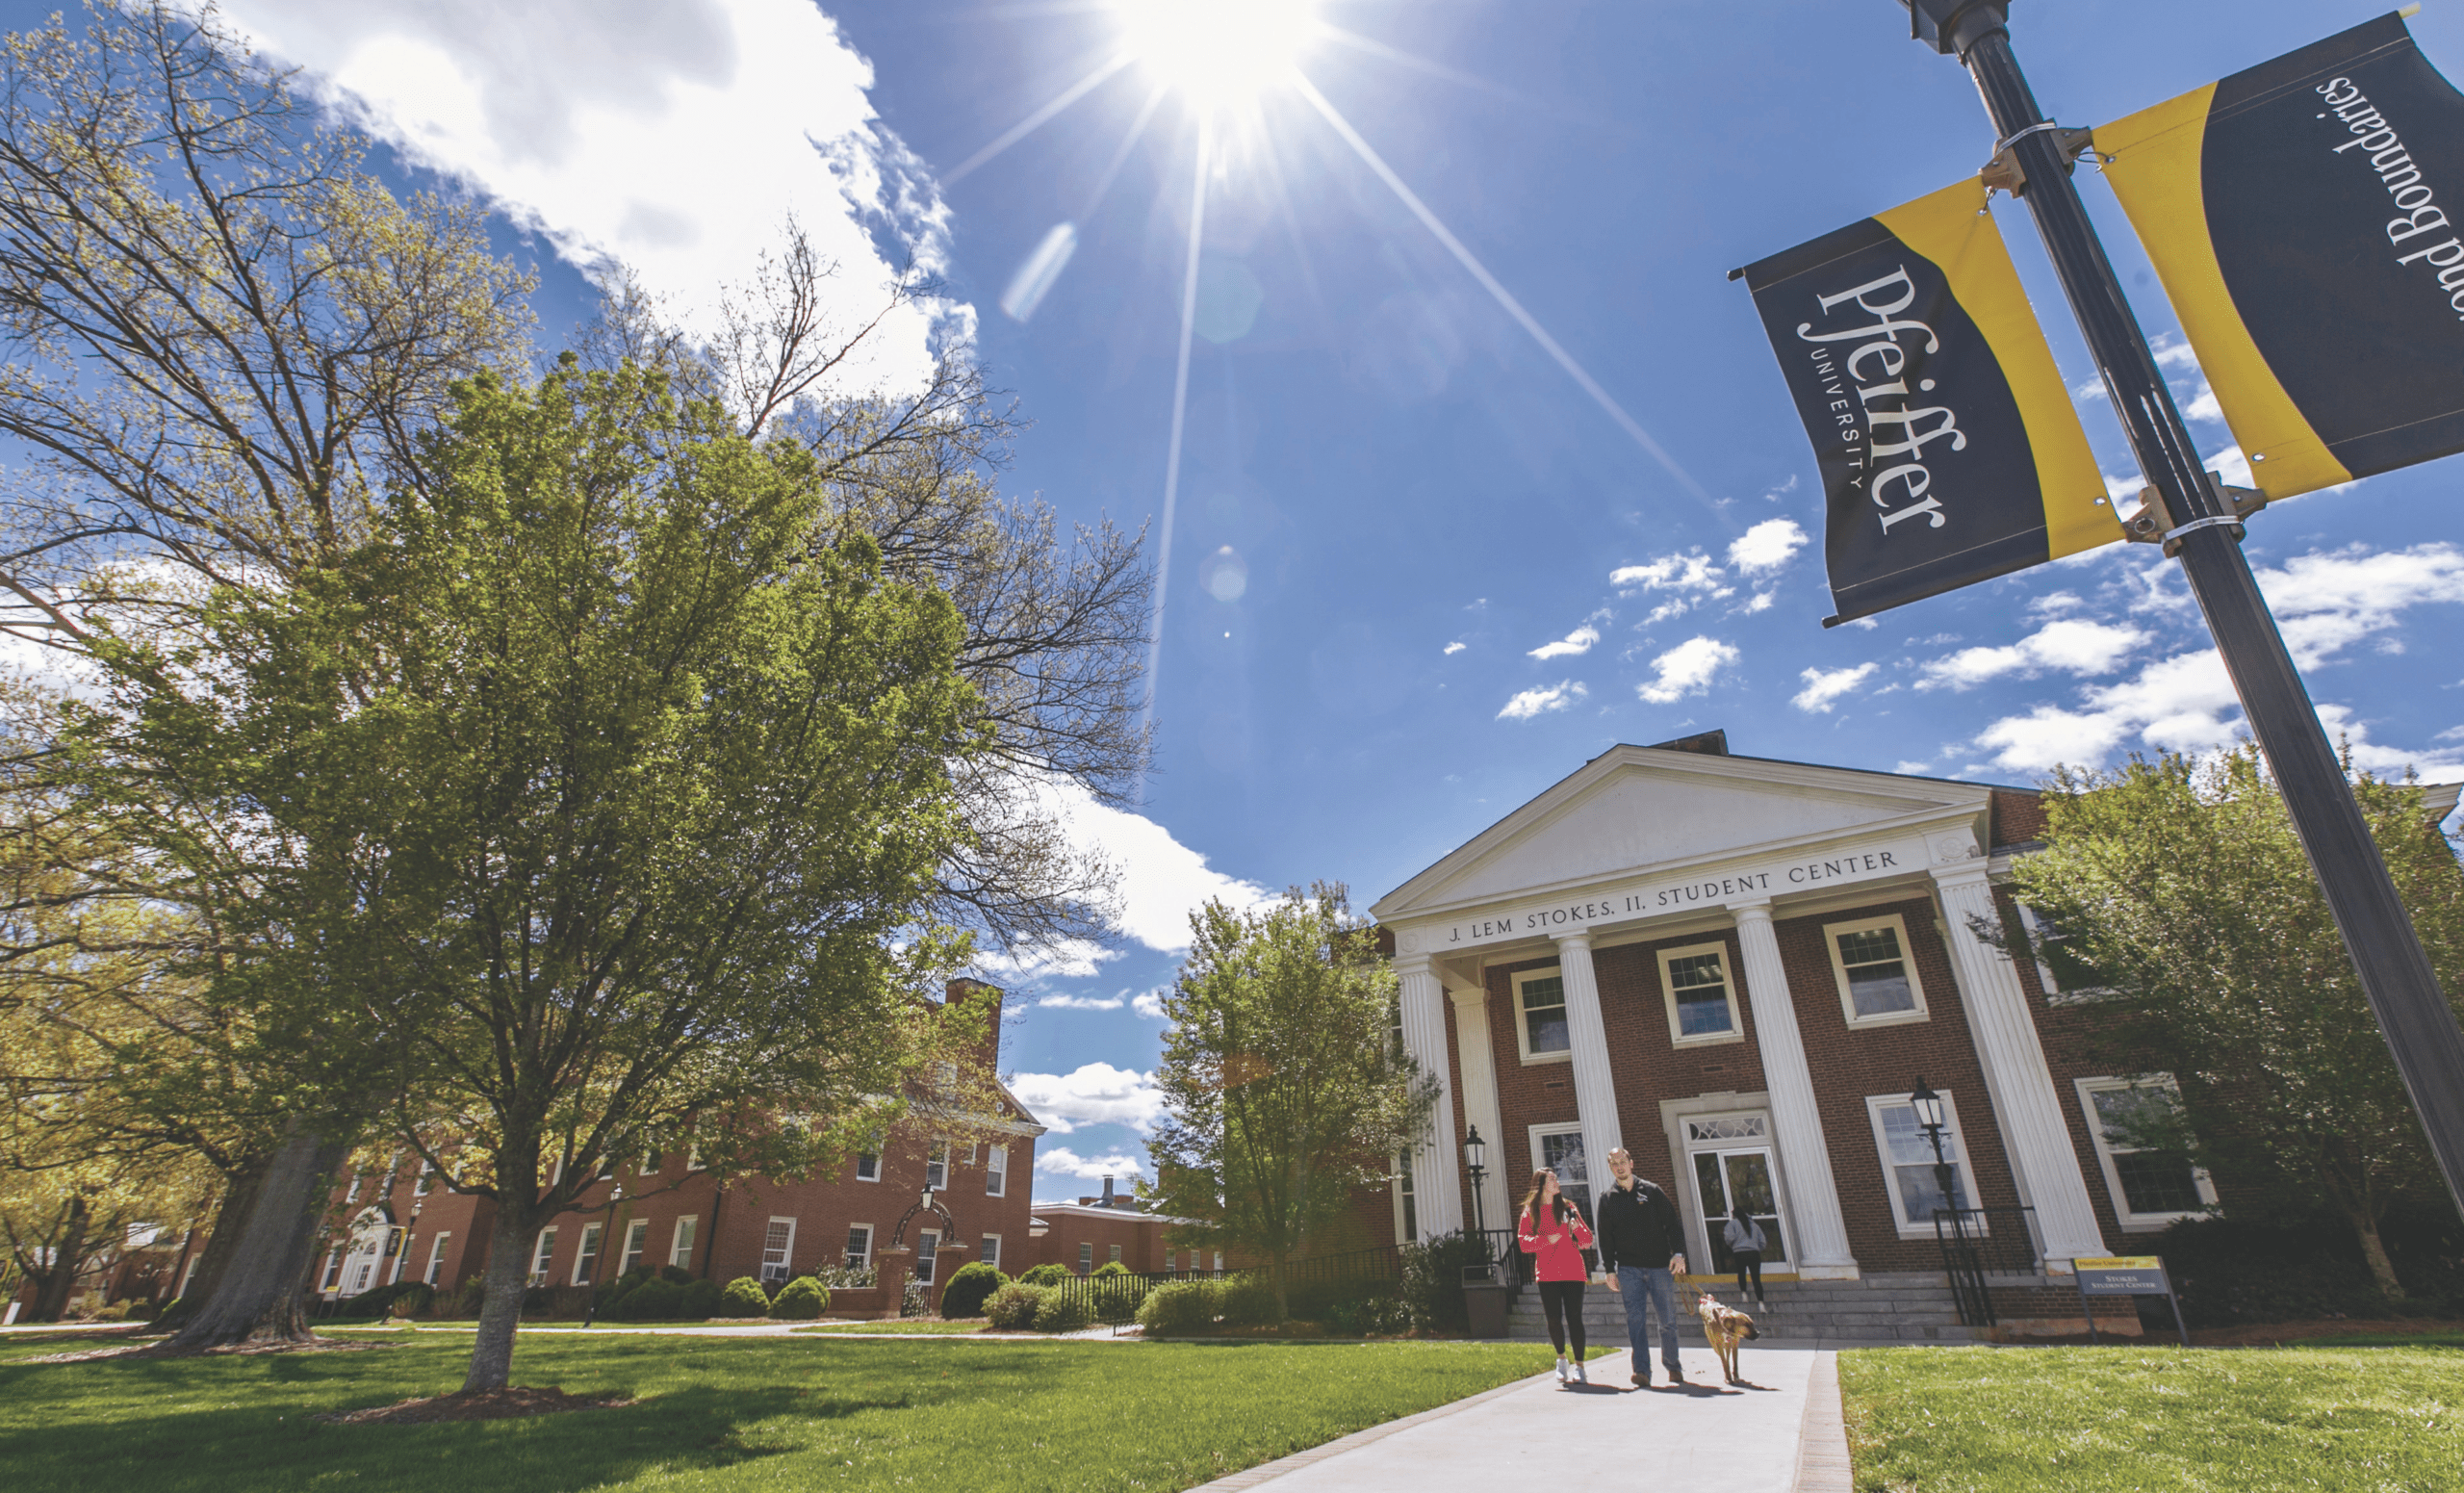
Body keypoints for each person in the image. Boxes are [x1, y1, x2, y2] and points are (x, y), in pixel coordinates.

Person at [1596, 1145, 1687, 1386]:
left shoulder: (1652, 1191)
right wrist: (1608, 1270)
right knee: (1635, 1320)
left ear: (1631, 1163)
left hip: (1659, 1267)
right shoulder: (1607, 1199)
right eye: (1614, 1163)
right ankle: (1642, 1371)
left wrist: (1678, 1254)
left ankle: (1673, 1366)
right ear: (1610, 1167)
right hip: (1628, 1270)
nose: (1619, 1166)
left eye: (1622, 1161)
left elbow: (1673, 1225)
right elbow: (1605, 1239)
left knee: (1667, 1320)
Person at [1517, 1168, 1595, 1384]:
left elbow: (1587, 1241)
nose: (1557, 1182)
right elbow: (1523, 1243)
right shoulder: (1530, 1211)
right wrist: (1545, 1241)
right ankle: (1561, 1359)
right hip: (1548, 1273)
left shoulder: (1568, 1207)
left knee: (1575, 1319)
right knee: (1553, 1319)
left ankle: (1579, 1366)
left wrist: (1577, 1228)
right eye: (1552, 1179)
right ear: (1541, 1185)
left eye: (1556, 1179)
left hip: (1573, 1272)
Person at [1723, 1204, 1768, 1307]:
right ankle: (1761, 1303)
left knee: (1741, 1274)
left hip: (1740, 1253)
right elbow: (1763, 1242)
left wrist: (1734, 1246)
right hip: (1754, 1253)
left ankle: (1744, 1294)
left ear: (1734, 1215)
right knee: (1756, 1278)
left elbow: (1729, 1238)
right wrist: (1756, 1248)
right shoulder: (1755, 1226)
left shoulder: (1732, 1224)